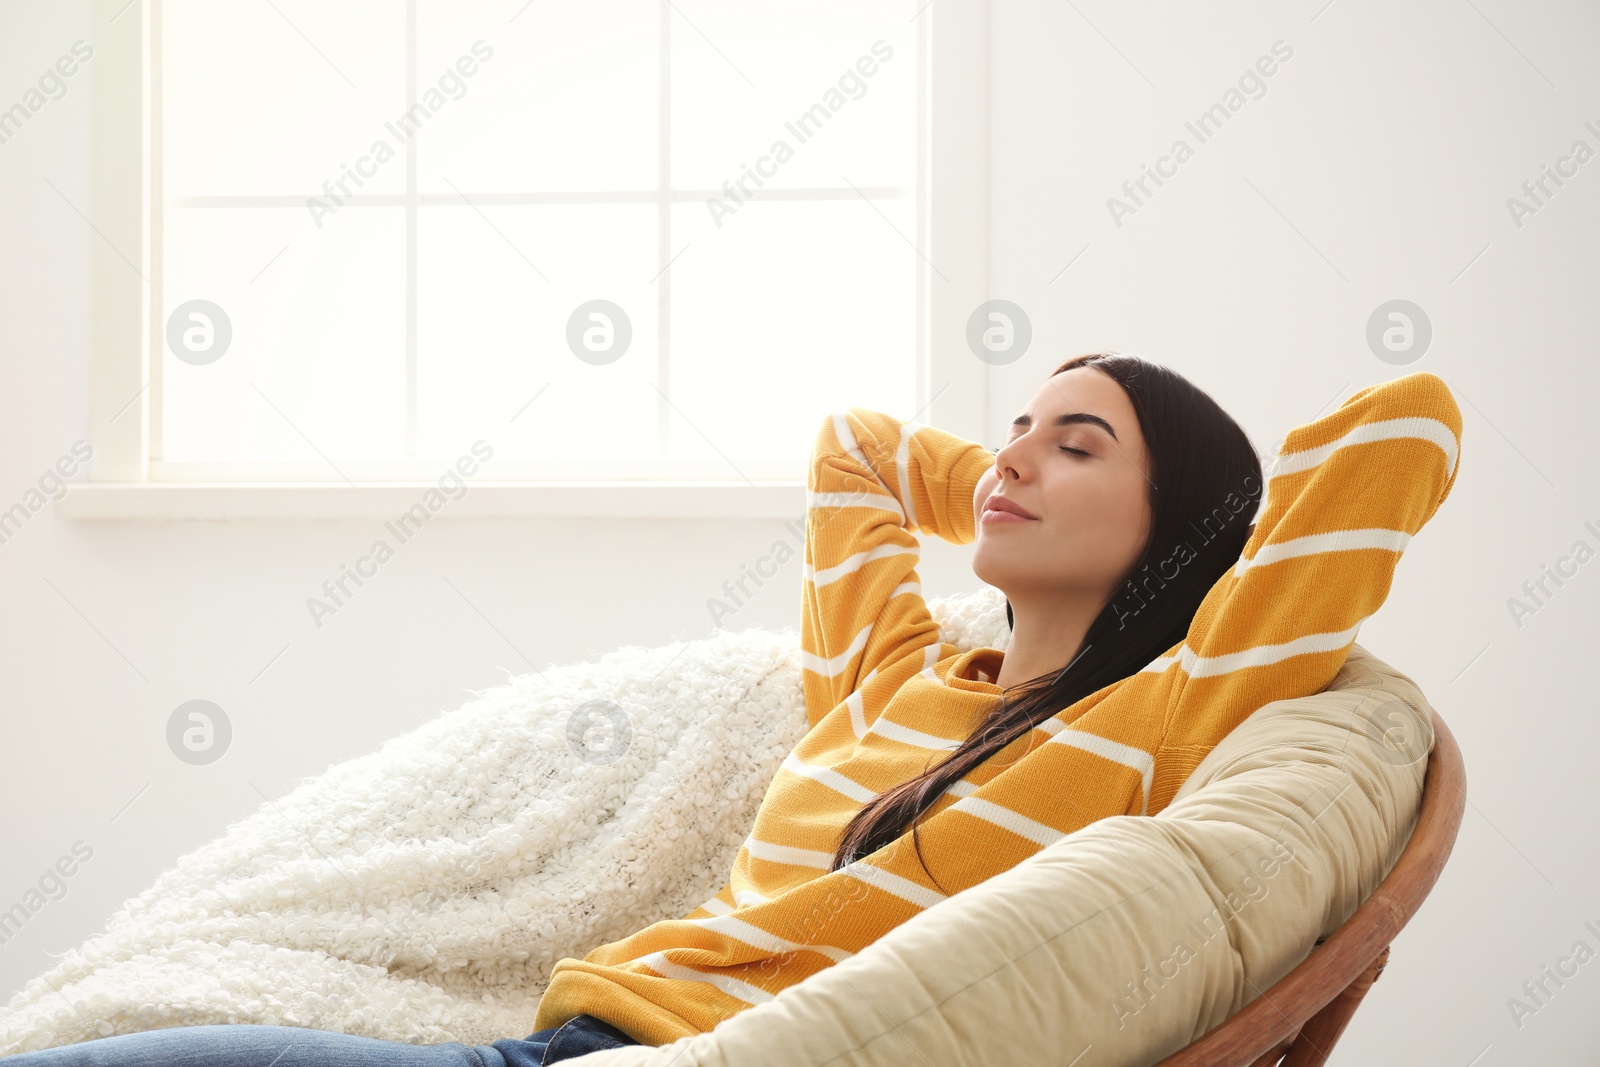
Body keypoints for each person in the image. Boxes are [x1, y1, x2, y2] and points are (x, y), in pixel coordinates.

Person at [3, 352, 1461, 1062]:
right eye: (1011, 431)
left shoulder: (1167, 716)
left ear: (1186, 523)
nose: (1012, 457)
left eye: (1074, 445)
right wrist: (1014, 485)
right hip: (583, 1027)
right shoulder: (894, 678)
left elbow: (1409, 423)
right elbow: (856, 452)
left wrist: (1199, 550)